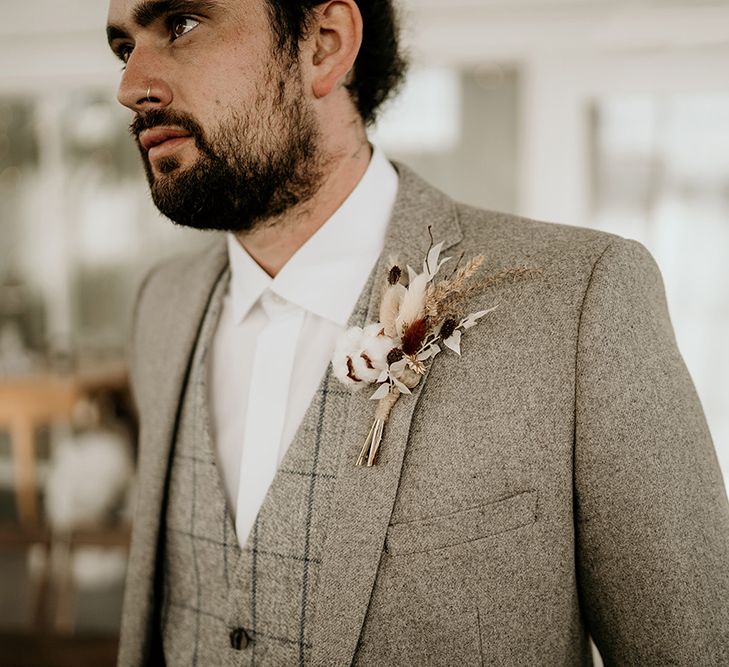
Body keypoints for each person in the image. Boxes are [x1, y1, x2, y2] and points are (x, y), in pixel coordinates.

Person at [106, 0, 729, 665]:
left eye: (179, 25)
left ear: (323, 43)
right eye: (123, 47)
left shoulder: (581, 300)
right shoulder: (161, 307)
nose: (130, 87)